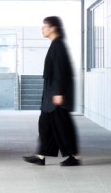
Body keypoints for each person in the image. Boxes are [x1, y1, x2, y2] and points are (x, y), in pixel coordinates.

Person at [23, 15, 79, 166]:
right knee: (45, 125)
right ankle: (41, 156)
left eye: (45, 26)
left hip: (56, 95)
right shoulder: (55, 45)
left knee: (62, 126)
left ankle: (74, 156)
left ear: (53, 28)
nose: (42, 29)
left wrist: (59, 92)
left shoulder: (58, 45)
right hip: (51, 94)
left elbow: (60, 71)